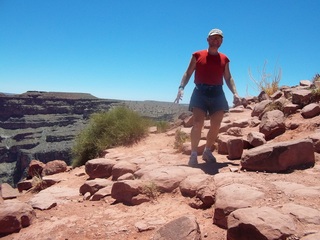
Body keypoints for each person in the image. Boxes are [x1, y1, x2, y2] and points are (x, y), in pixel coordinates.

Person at [174, 28, 241, 167]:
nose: (216, 40)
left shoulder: (224, 59)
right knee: (198, 123)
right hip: (200, 91)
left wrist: (235, 93)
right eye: (213, 38)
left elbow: (228, 77)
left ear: (221, 42)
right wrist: (181, 88)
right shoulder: (197, 55)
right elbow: (188, 73)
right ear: (208, 40)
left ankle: (207, 151)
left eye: (218, 38)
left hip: (218, 92)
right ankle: (193, 154)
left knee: (216, 125)